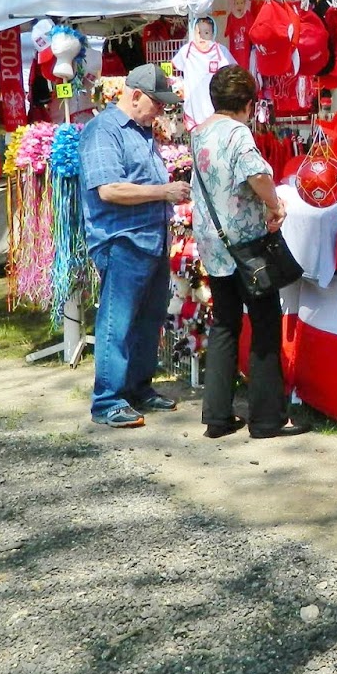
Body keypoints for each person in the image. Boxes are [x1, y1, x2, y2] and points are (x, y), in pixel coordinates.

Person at [189, 65, 308, 439]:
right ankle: (268, 418)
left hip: (213, 242)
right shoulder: (238, 133)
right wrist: (275, 204)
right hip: (246, 244)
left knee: (224, 325)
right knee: (264, 325)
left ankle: (217, 415)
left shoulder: (199, 132)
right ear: (247, 102)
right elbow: (257, 174)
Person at [79, 63, 191, 428]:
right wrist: (164, 191)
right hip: (122, 240)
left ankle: (138, 388)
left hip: (151, 237)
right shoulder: (103, 131)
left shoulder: (141, 132)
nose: (160, 110)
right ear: (136, 95)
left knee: (148, 319)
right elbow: (109, 189)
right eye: (157, 103)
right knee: (119, 321)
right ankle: (107, 400)